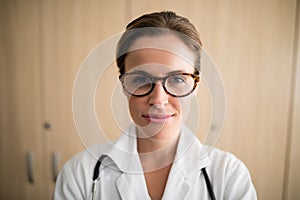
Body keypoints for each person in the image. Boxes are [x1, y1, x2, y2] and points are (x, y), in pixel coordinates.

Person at [54, 11, 257, 200]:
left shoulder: (229, 176)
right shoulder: (80, 174)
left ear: (195, 85)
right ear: (124, 85)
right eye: (141, 78)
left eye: (177, 79)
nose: (158, 99)